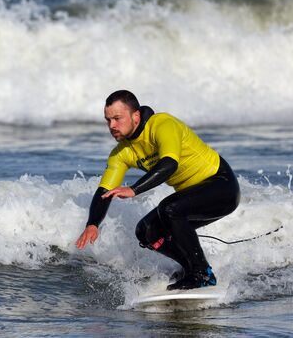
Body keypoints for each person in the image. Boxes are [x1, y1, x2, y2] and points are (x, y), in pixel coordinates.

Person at [75, 90, 240, 290]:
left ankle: (201, 274)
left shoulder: (162, 125)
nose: (112, 126)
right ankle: (191, 267)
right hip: (191, 197)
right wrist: (93, 223)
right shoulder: (121, 154)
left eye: (117, 118)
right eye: (108, 120)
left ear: (135, 116)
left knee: (169, 209)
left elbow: (169, 164)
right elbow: (104, 191)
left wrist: (134, 189)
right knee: (146, 231)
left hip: (221, 185)